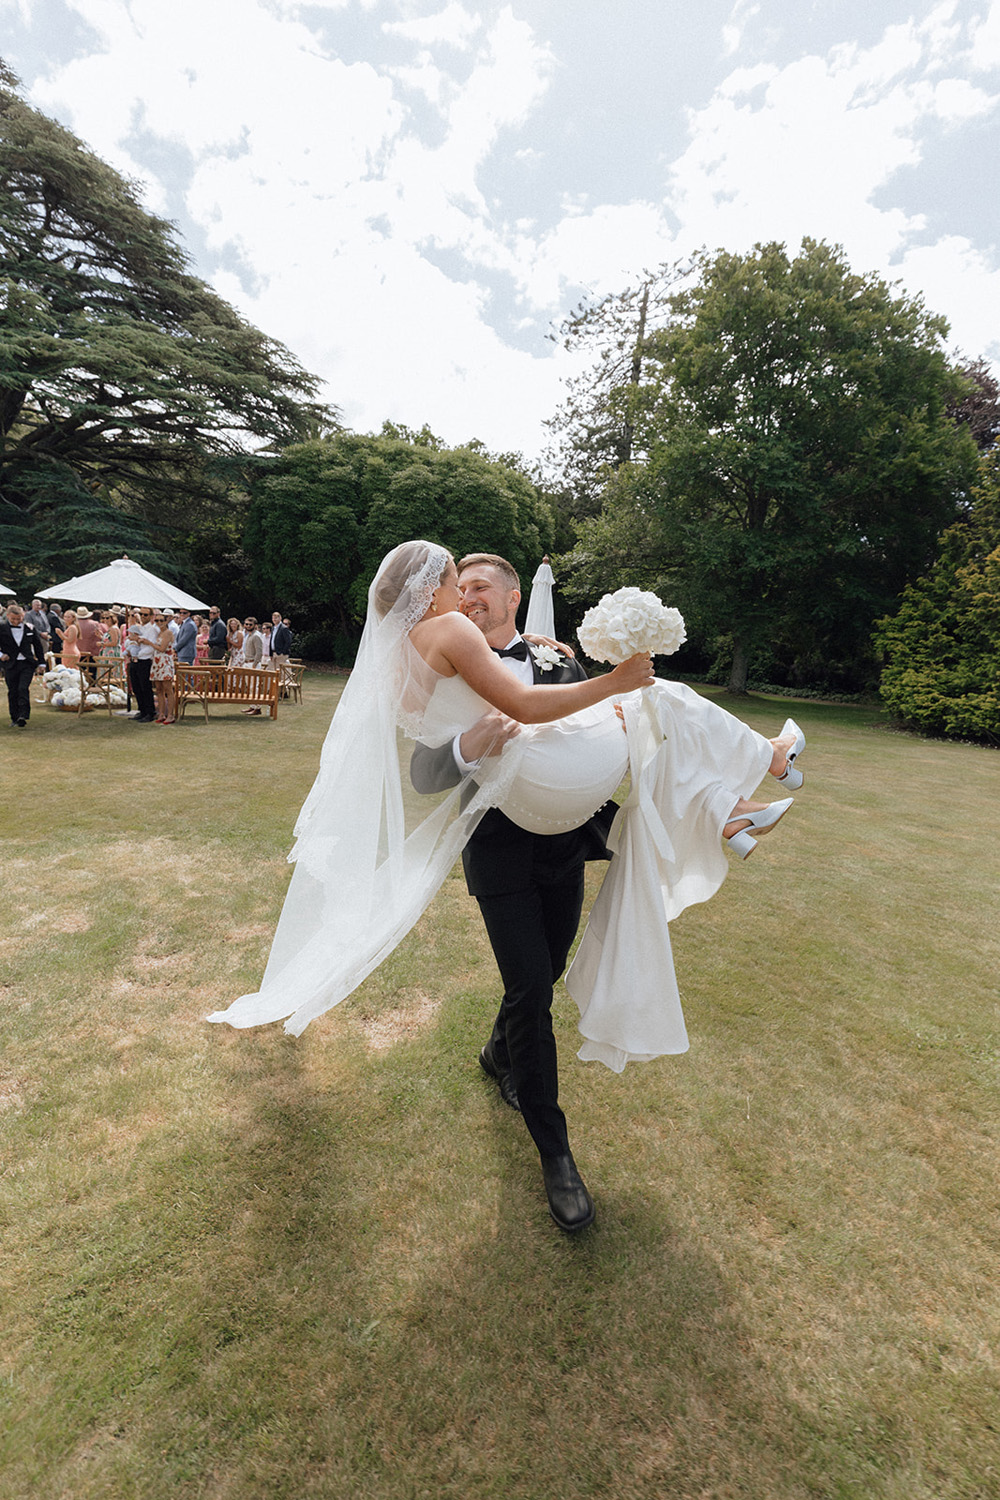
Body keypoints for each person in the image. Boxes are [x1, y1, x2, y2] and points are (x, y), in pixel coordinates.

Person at [209, 541, 804, 1231]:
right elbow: (426, 774)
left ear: (513, 597)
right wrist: (469, 747)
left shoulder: (556, 656)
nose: (470, 593)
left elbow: (600, 730)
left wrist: (606, 702)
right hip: (500, 848)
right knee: (529, 989)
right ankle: (556, 1155)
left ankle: (500, 1050)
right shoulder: (442, 658)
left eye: (483, 584)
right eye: (462, 583)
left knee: (544, 972)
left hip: (569, 839)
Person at [0, 602, 46, 726]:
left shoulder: (30, 628)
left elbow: (38, 646)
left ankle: (23, 715)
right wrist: (1, 655)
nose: (16, 621)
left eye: (19, 618)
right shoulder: (2, 628)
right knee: (13, 690)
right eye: (13, 619)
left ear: (23, 616)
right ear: (8, 616)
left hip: (27, 663)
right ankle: (14, 717)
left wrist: (42, 663)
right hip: (10, 664)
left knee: (23, 688)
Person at [126, 607, 158, 722]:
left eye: (145, 615)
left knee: (145, 687)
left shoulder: (152, 630)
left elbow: (151, 647)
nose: (143, 617)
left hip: (144, 660)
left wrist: (138, 654)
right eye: (141, 614)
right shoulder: (139, 628)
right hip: (135, 660)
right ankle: (142, 710)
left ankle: (150, 712)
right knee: (136, 687)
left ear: (150, 616)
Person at [150, 612, 176, 723]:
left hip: (165, 662)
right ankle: (161, 713)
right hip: (157, 662)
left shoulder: (168, 632)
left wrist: (149, 643)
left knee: (168, 689)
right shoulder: (159, 633)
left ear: (166, 621)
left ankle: (170, 714)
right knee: (159, 689)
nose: (159, 623)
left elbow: (162, 648)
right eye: (157, 621)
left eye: (162, 620)